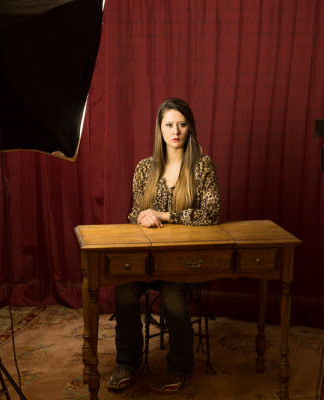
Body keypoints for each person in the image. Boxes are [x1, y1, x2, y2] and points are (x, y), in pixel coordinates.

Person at [107, 98, 222, 394]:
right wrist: (142, 216)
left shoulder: (202, 165)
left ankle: (180, 367)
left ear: (190, 128)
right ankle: (127, 363)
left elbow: (211, 214)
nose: (176, 131)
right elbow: (133, 213)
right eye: (169, 125)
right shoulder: (145, 168)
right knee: (124, 292)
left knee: (171, 296)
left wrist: (164, 215)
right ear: (160, 129)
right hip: (149, 259)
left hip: (187, 261)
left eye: (182, 124)